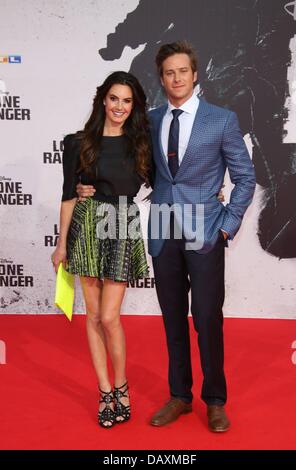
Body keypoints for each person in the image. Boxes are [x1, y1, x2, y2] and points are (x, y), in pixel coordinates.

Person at [77, 41, 256, 432]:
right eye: (169, 73)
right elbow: (121, 161)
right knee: (172, 317)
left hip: (205, 229)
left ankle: (214, 400)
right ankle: (179, 396)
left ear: (195, 75)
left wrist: (227, 224)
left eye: (182, 71)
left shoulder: (221, 120)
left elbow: (245, 178)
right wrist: (87, 186)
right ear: (162, 79)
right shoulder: (150, 121)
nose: (176, 78)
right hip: (161, 226)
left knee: (207, 317)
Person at [51, 71, 151, 428]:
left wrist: (211, 192)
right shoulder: (80, 143)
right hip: (88, 225)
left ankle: (122, 385)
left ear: (133, 105)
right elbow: (67, 194)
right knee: (92, 317)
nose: (119, 107)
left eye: (127, 101)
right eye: (114, 99)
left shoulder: (142, 143)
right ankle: (105, 390)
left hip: (123, 223)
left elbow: (168, 181)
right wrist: (62, 244)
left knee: (110, 317)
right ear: (102, 100)